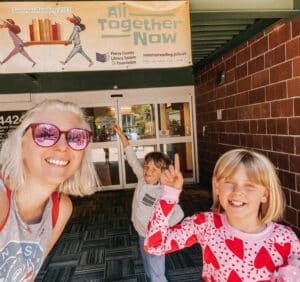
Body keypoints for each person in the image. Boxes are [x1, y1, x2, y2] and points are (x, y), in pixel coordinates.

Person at [144, 149, 300, 281]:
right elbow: (154, 245)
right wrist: (169, 195)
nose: (238, 191)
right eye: (229, 182)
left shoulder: (286, 239)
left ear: (265, 194)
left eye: (249, 185)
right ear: (217, 187)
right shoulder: (205, 224)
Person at [0, 99, 99, 281]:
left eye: (76, 138)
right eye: (45, 134)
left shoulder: (60, 209)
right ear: (21, 145)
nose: (62, 147)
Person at [113, 124, 184, 282]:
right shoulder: (141, 178)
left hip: (154, 237)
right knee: (147, 264)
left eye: (154, 169)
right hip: (140, 232)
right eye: (146, 167)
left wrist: (160, 229)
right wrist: (122, 136)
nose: (148, 171)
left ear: (162, 173)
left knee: (157, 271)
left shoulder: (163, 192)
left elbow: (179, 213)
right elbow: (131, 158)